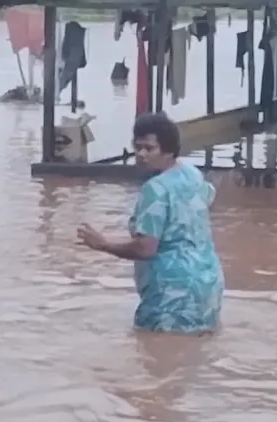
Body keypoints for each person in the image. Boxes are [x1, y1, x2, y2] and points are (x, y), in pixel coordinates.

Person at [77, 113, 224, 334]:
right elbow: (207, 200)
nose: (141, 154)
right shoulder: (192, 174)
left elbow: (145, 248)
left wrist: (103, 244)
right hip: (207, 283)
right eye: (137, 147)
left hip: (172, 293)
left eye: (149, 148)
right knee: (193, 360)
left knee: (156, 360)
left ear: (168, 150)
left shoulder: (154, 189)